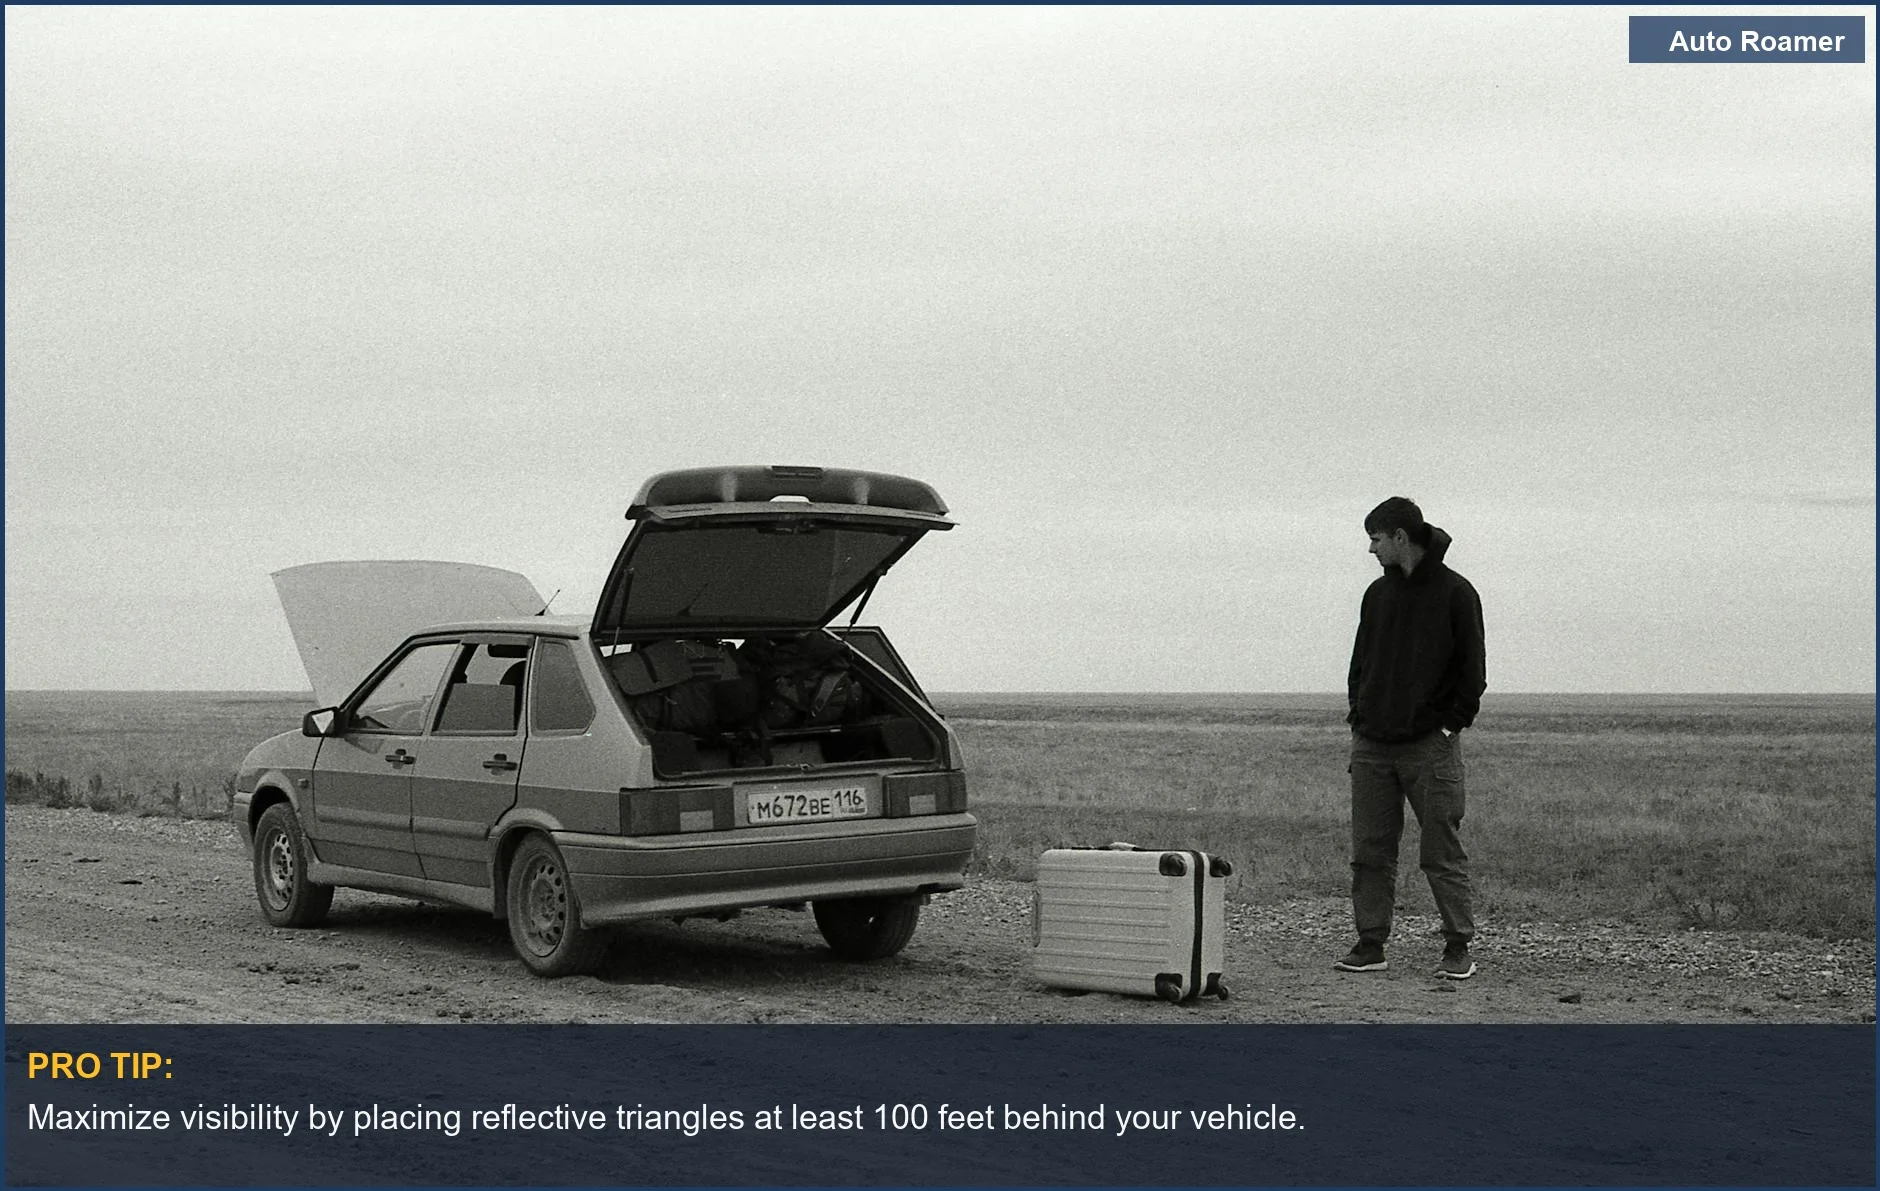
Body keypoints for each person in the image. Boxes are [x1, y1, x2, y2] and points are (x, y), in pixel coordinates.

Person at [1337, 497, 1486, 980]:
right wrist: (1359, 716)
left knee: (1440, 850)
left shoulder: (1457, 593)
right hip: (1373, 745)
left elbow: (1473, 673)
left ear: (1400, 536)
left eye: (1376, 539)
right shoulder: (1375, 595)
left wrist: (1448, 726)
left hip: (1430, 747)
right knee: (1370, 850)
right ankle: (1370, 943)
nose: (1371, 549)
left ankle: (1458, 946)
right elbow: (1360, 664)